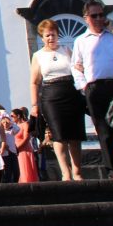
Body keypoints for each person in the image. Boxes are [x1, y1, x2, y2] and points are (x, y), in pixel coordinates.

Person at [71, 0, 113, 178]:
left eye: (102, 15)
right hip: (95, 87)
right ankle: (112, 170)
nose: (99, 19)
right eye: (94, 16)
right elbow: (75, 65)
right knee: (104, 131)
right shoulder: (81, 41)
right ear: (86, 18)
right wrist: (84, 86)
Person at [30, 19, 85, 181]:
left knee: (75, 135)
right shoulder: (38, 56)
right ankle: (65, 173)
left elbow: (77, 69)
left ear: (57, 34)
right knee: (58, 135)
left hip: (71, 92)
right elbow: (34, 82)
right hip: (51, 96)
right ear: (42, 37)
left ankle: (77, 172)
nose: (50, 38)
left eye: (53, 34)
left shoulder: (67, 50)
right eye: (47, 35)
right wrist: (34, 105)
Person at [12, 108, 38, 183]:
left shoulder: (25, 124)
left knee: (25, 169)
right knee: (20, 170)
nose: (11, 117)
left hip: (24, 150)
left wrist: (17, 148)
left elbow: (26, 138)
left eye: (12, 115)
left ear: (18, 116)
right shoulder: (14, 126)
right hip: (16, 151)